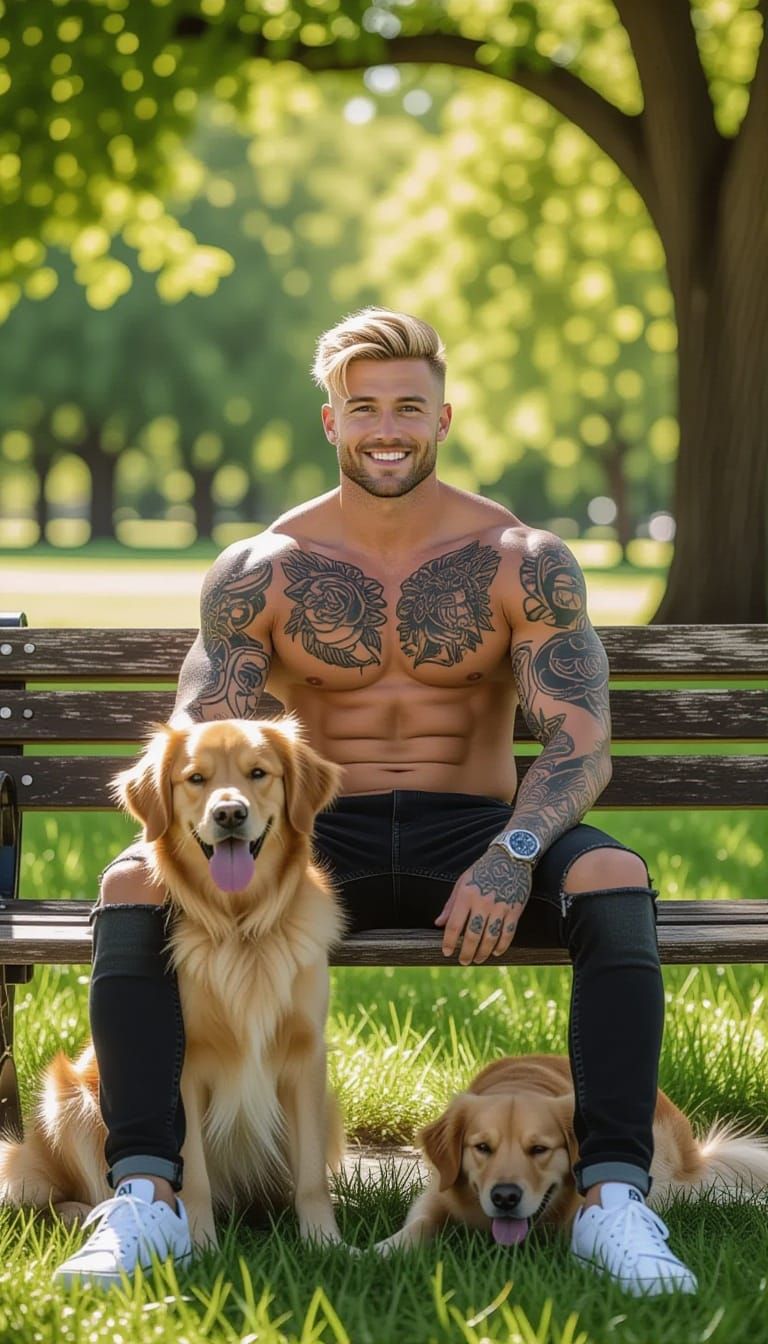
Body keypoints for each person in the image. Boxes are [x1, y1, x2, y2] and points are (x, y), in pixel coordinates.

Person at [55, 307, 696, 1295]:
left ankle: (613, 1201)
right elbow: (202, 742)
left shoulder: (521, 559)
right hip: (318, 833)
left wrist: (514, 851)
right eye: (364, 408)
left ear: (444, 417)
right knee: (132, 880)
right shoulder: (263, 571)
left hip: (478, 829)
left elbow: (579, 741)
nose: (386, 427)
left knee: (614, 871)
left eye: (409, 406)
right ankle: (150, 1197)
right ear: (331, 423)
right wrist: (216, 843)